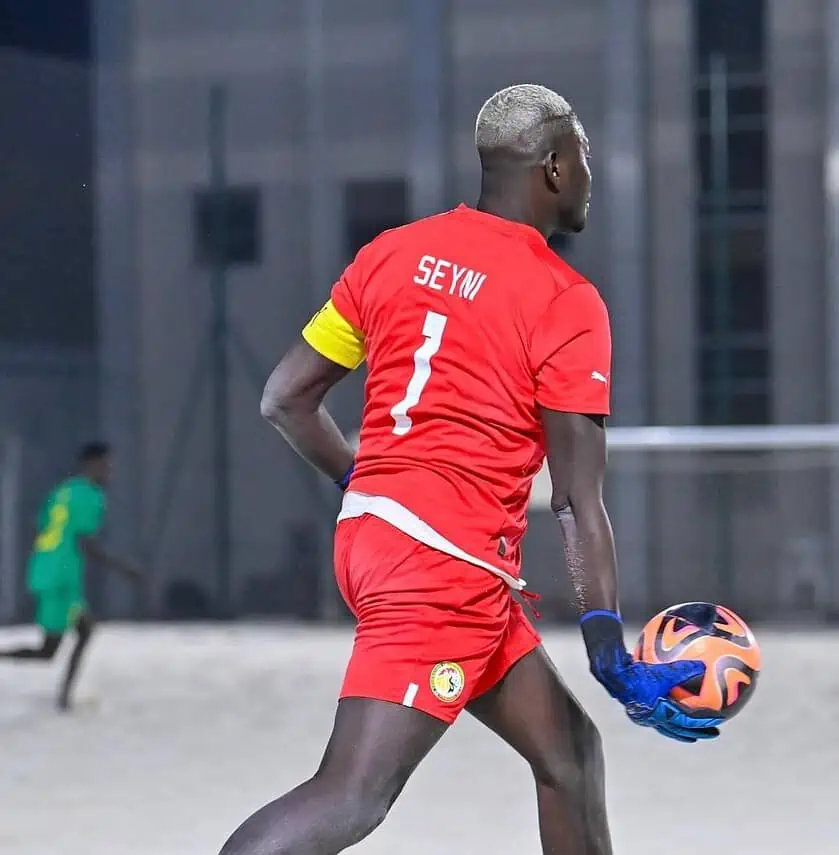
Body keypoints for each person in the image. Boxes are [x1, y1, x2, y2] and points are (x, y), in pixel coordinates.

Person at [220, 85, 724, 855]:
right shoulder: (565, 299)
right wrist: (609, 655)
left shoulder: (389, 253)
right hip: (440, 566)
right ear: (554, 168)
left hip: (387, 541)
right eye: (584, 158)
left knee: (568, 753)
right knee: (352, 793)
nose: (590, 174)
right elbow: (575, 502)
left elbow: (284, 399)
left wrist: (367, 492)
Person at [0, 440, 142, 710]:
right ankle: (64, 700)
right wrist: (124, 568)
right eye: (105, 465)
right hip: (62, 576)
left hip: (46, 569)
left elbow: (42, 527)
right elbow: (86, 544)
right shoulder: (90, 496)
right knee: (65, 642)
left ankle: (64, 698)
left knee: (58, 645)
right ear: (90, 464)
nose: (108, 472)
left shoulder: (62, 491)